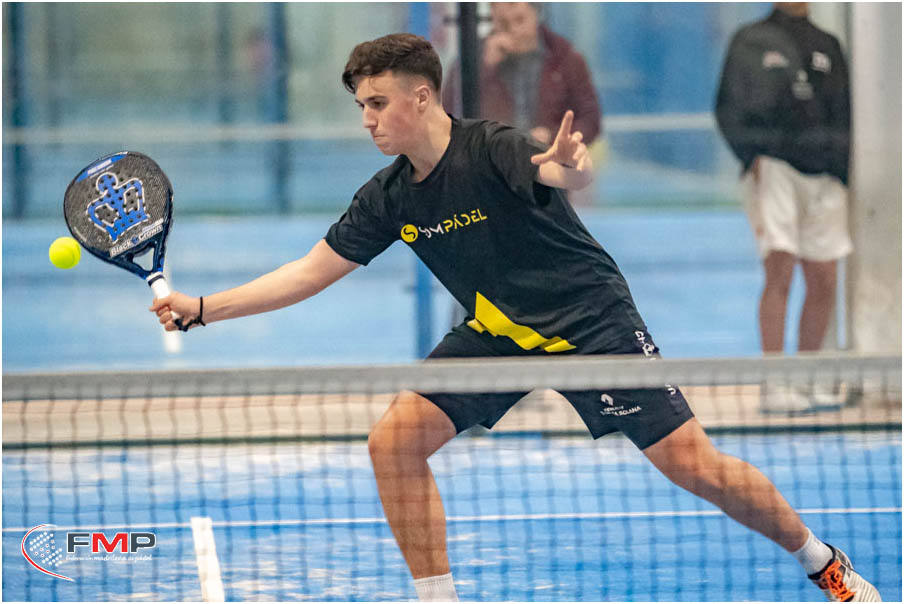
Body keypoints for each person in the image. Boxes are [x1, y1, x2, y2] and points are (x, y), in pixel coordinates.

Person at [151, 34, 879, 602]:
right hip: (500, 333)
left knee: (694, 466)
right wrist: (205, 309)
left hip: (592, 325)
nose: (367, 119)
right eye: (361, 106)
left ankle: (822, 563)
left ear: (422, 98)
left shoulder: (492, 146)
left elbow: (554, 171)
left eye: (378, 102)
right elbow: (311, 271)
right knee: (393, 443)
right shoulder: (389, 196)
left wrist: (571, 165)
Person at [715, 4, 852, 369]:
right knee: (780, 270)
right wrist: (753, 156)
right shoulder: (751, 41)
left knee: (824, 279)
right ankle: (775, 379)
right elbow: (727, 107)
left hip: (825, 176)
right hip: (774, 168)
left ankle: (807, 376)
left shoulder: (828, 44)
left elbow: (844, 111)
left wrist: (840, 171)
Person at [442, 2, 602, 206]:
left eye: (520, 20)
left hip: (549, 175)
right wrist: (485, 68)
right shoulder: (472, 58)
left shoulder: (565, 57)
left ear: (536, 14)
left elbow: (590, 119)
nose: (514, 30)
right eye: (503, 23)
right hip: (490, 176)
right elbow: (450, 114)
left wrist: (553, 137)